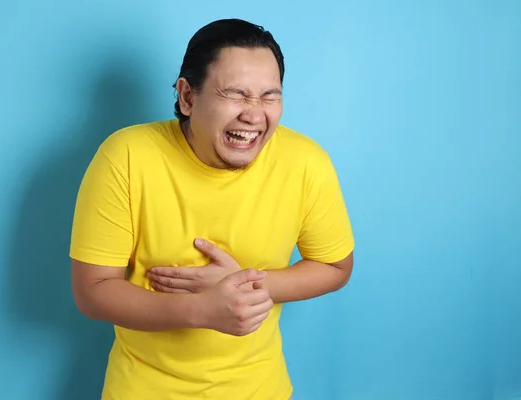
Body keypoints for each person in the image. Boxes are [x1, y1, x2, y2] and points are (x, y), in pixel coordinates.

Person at [69, 18, 354, 400]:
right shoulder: (126, 156)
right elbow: (92, 291)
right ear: (187, 97)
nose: (254, 115)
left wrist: (248, 286)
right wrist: (203, 309)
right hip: (142, 389)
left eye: (270, 95)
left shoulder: (306, 163)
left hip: (259, 389)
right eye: (235, 94)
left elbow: (335, 266)